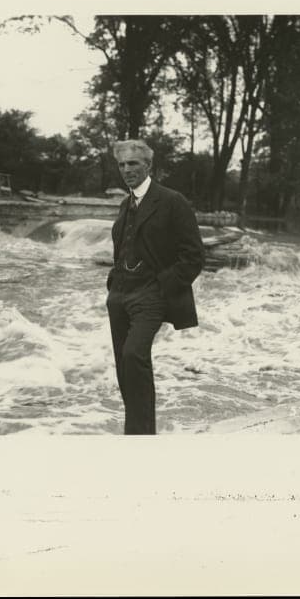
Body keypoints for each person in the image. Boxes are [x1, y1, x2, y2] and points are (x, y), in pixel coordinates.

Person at [106, 139, 205, 435]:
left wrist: (161, 287)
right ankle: (134, 433)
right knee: (125, 366)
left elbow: (194, 256)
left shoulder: (172, 201)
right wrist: (114, 282)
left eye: (133, 163)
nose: (127, 170)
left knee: (134, 354)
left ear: (149, 166)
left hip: (151, 294)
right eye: (122, 165)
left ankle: (144, 436)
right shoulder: (126, 204)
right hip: (120, 295)